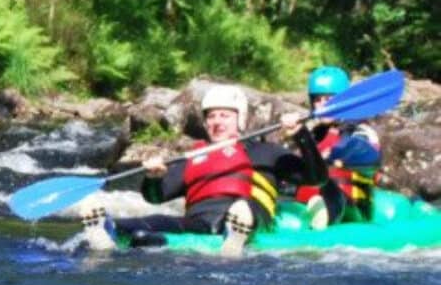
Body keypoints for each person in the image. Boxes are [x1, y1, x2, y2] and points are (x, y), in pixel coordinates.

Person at [83, 84, 329, 257]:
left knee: (243, 210)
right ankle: (108, 230)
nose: (217, 122)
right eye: (211, 116)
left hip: (250, 216)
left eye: (224, 115)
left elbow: (316, 178)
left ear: (241, 119)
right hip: (199, 223)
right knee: (148, 224)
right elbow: (156, 197)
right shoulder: (193, 156)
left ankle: (237, 230)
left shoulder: (265, 153)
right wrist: (153, 178)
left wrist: (301, 135)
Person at [282, 66, 382, 229]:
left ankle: (323, 214)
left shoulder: (361, 132)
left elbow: (370, 156)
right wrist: (299, 135)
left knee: (329, 186)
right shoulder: (313, 135)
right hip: (306, 206)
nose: (322, 105)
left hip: (351, 210)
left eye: (329, 99)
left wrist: (334, 154)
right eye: (317, 99)